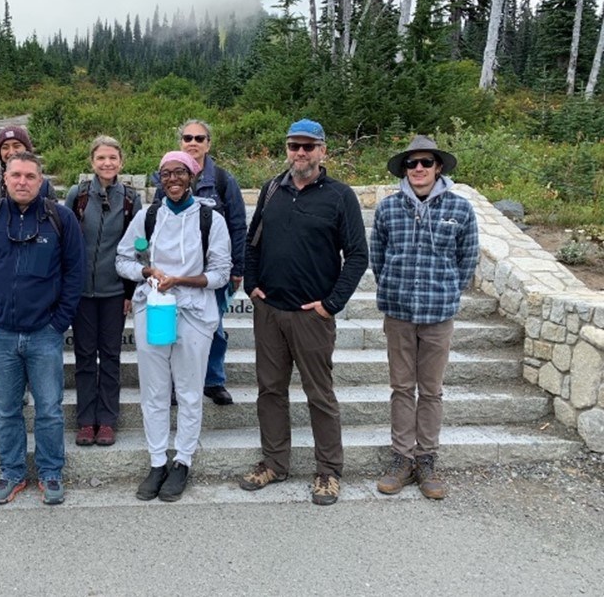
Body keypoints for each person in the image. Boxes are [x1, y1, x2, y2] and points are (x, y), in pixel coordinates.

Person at [239, 119, 368, 506]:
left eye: (308, 147)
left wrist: (331, 305)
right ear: (287, 149)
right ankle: (275, 463)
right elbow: (252, 242)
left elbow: (358, 256)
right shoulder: (272, 189)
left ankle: (328, 471)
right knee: (270, 391)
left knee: (320, 394)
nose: (300, 153)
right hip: (270, 311)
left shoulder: (339, 196)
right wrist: (251, 285)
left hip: (312, 316)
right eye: (295, 146)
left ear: (323, 151)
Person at [0, 151, 84, 506]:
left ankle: (50, 473)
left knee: (49, 408)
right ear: (4, 177)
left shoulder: (60, 219)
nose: (22, 182)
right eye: (15, 175)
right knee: (5, 409)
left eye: (30, 176)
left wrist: (58, 322)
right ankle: (12, 473)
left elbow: (74, 274)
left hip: (44, 332)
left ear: (41, 180)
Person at [116, 151, 231, 503]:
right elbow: (123, 259)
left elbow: (221, 273)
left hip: (195, 314)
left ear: (192, 176)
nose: (173, 179)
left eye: (179, 172)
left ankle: (182, 460)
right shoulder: (148, 217)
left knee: (189, 390)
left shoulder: (210, 220)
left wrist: (182, 280)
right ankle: (156, 461)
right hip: (153, 309)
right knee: (153, 390)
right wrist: (147, 272)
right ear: (159, 180)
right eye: (165, 174)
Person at [371, 135, 479, 500]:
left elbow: (468, 259)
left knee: (431, 390)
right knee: (402, 388)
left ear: (438, 168)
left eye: (426, 163)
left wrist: (449, 291)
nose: (419, 169)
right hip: (399, 313)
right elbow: (378, 256)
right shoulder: (388, 209)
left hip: (438, 314)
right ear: (405, 169)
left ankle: (427, 459)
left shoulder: (461, 209)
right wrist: (391, 286)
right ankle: (402, 459)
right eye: (412, 163)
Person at [151, 120, 246, 406]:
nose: (193, 142)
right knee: (172, 327)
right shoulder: (165, 178)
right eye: (187, 137)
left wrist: (237, 268)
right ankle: (173, 384)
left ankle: (213, 380)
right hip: (174, 271)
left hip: (211, 272)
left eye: (199, 138)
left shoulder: (222, 180)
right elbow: (155, 223)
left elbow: (238, 226)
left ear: (209, 143)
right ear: (180, 141)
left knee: (212, 326)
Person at [64, 136, 142, 447]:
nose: (107, 163)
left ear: (121, 162)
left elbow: (139, 248)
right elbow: (66, 242)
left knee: (110, 355)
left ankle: (107, 420)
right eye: (101, 158)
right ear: (92, 162)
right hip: (81, 292)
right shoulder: (77, 195)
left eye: (112, 158)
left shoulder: (130, 199)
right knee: (84, 356)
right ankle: (85, 420)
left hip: (114, 291)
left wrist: (130, 292)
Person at [0, 124, 57, 208]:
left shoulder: (45, 187)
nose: (11, 152)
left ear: (27, 149)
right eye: (5, 147)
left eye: (16, 146)